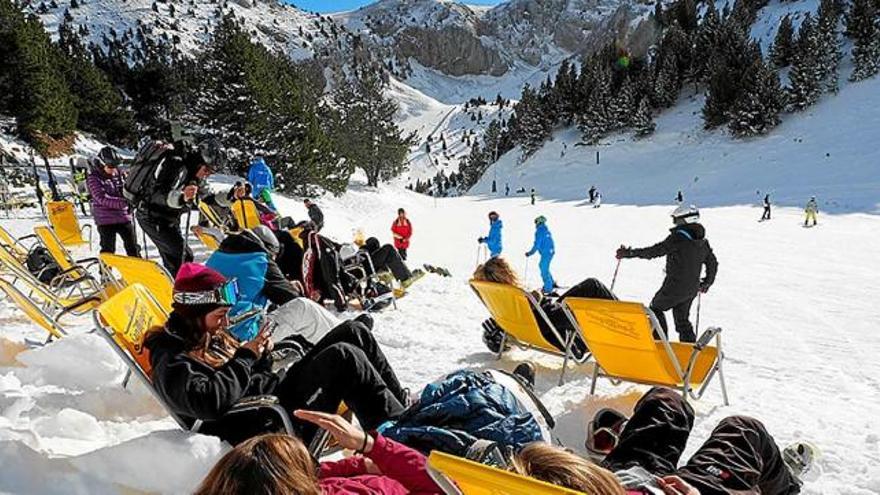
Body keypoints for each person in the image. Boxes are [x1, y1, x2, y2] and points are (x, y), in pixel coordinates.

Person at [145, 263, 407, 444]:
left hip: (273, 398)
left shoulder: (204, 334)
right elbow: (209, 403)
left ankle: (404, 418)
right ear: (194, 314)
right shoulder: (171, 359)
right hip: (265, 421)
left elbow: (244, 376)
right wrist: (246, 358)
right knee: (343, 358)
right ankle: (397, 443)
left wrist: (262, 356)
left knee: (353, 331)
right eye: (219, 316)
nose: (224, 324)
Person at [515, 387, 809, 495]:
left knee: (666, 401)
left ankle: (619, 443)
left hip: (621, 479)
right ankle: (785, 486)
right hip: (660, 487)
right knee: (743, 430)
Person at [194, 413, 440, 495]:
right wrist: (371, 446)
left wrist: (363, 464)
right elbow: (440, 486)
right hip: (423, 476)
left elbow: (317, 473)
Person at [135, 138, 244, 276]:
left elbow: (207, 198)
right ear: (200, 161)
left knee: (176, 259)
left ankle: (172, 290)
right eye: (208, 169)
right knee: (183, 256)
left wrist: (231, 196)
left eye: (211, 171)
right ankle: (180, 291)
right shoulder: (175, 165)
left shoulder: (194, 174)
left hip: (168, 219)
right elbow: (158, 195)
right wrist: (182, 197)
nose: (208, 174)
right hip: (151, 216)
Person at [473, 257, 614, 357]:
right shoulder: (518, 297)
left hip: (545, 324)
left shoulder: (501, 304)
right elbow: (541, 312)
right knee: (593, 286)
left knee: (589, 290)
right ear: (507, 274)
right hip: (556, 329)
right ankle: (630, 321)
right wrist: (536, 297)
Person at [616, 205, 718, 342]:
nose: (675, 223)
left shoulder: (677, 238)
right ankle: (689, 352)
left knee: (655, 309)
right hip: (691, 289)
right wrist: (707, 283)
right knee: (682, 321)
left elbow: (655, 251)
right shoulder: (702, 242)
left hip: (674, 287)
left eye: (676, 220)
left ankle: (660, 345)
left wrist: (630, 253)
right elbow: (712, 263)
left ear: (686, 220)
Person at [86, 147, 139, 256]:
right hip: (105, 219)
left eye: (115, 166)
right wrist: (124, 202)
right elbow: (101, 198)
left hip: (123, 216)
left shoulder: (119, 174)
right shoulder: (94, 178)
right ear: (101, 164)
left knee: (133, 247)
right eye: (110, 167)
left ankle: (138, 270)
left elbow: (126, 189)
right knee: (108, 249)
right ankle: (105, 270)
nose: (113, 169)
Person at [526, 216, 556, 295]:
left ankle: (548, 288)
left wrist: (530, 253)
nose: (535, 224)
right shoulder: (546, 230)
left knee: (543, 268)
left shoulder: (539, 231)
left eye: (536, 222)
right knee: (544, 267)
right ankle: (551, 283)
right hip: (549, 252)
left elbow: (537, 244)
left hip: (546, 253)